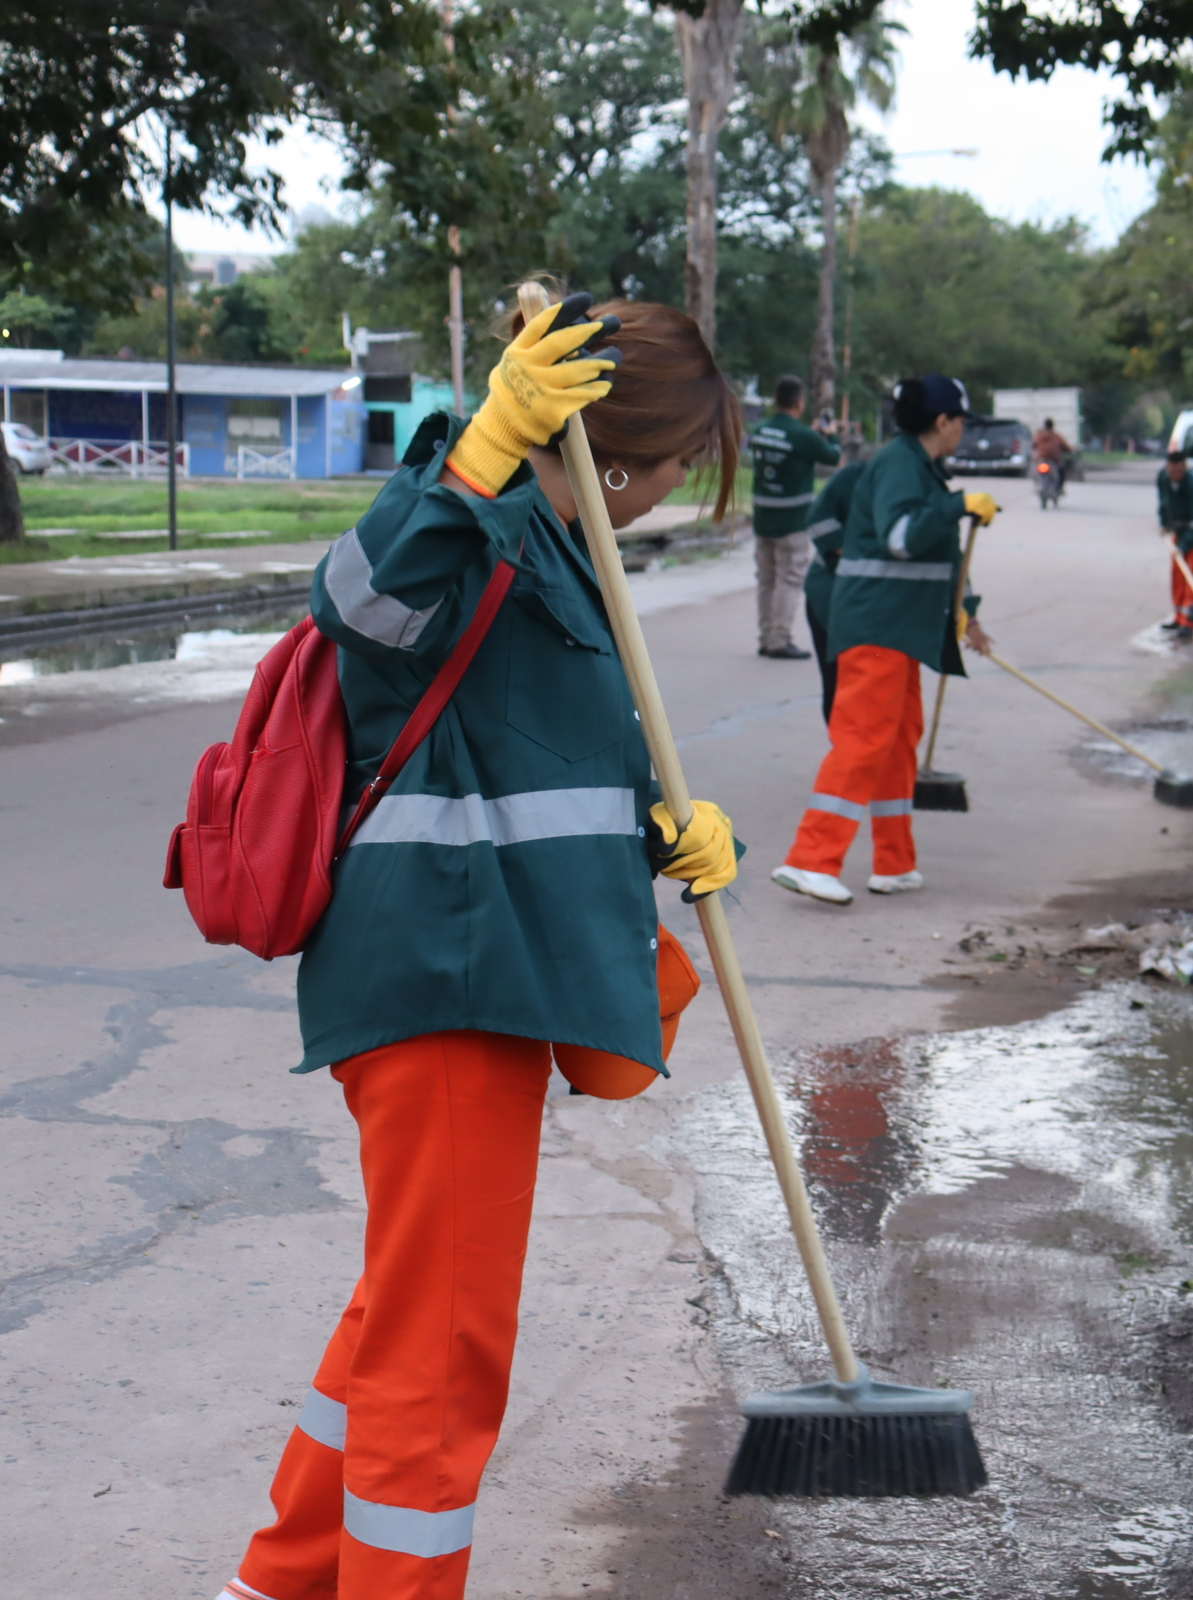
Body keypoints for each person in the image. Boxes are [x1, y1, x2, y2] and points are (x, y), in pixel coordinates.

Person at [216, 292, 742, 1600]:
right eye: (678, 465)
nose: (675, 491)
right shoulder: (480, 518)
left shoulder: (563, 550)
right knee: (441, 1357)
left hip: (480, 973)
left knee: (401, 1317)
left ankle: (277, 1582)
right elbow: (358, 603)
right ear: (621, 454)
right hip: (445, 977)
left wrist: (656, 823)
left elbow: (523, 760)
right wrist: (482, 448)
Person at [776, 374, 1000, 906]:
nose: (964, 433)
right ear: (943, 421)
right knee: (863, 739)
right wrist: (959, 505)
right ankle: (810, 860)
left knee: (899, 741)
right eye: (963, 422)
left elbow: (939, 556)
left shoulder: (920, 467)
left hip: (901, 630)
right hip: (877, 625)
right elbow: (902, 539)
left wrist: (964, 610)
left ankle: (893, 862)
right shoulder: (900, 464)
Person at [749, 374, 842, 659]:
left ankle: (766, 637)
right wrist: (831, 433)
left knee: (766, 579)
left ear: (777, 400)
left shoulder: (760, 429)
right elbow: (832, 456)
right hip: (792, 521)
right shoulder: (804, 436)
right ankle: (779, 640)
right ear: (799, 403)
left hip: (763, 518)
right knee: (789, 579)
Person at [799, 456, 868, 722]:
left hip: (881, 607)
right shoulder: (857, 474)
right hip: (832, 597)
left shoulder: (927, 483)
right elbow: (817, 518)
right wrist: (855, 555)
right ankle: (846, 758)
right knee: (842, 690)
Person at [1157, 447, 1193, 639]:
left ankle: (1188, 625)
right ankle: (1178, 617)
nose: (1175, 475)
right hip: (1180, 532)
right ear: (1167, 467)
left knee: (1192, 574)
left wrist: (1184, 546)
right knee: (1177, 574)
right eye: (1171, 470)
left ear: (1184, 468)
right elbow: (1164, 503)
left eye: (1179, 471)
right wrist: (1164, 524)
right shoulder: (1163, 478)